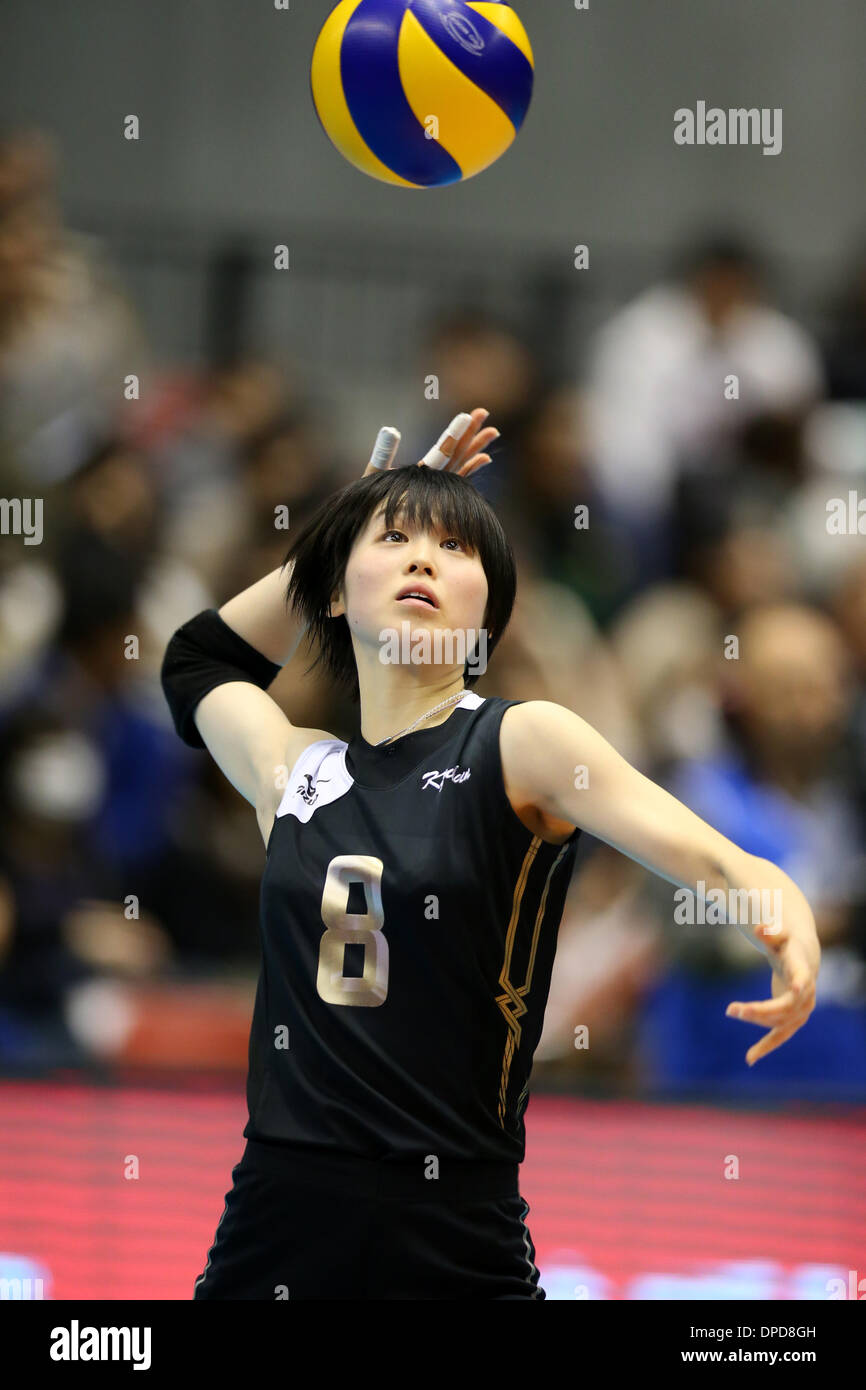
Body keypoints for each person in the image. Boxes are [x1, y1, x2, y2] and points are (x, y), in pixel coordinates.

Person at [160, 408, 821, 1301]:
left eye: (455, 546)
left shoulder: (520, 743)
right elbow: (198, 661)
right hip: (276, 1216)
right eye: (395, 541)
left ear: (489, 613)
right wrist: (340, 529)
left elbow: (717, 861)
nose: (423, 560)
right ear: (335, 593)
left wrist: (785, 919)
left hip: (455, 1224)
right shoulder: (295, 769)